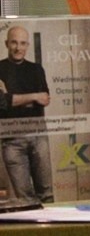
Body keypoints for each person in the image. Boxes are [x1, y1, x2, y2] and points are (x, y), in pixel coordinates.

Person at [0, 25, 53, 203]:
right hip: (11, 140)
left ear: (27, 45)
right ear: (6, 44)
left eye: (23, 43)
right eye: (14, 42)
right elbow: (2, 103)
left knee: (47, 194)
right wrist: (33, 97)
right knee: (25, 199)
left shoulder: (36, 69)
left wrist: (12, 98)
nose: (18, 48)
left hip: (38, 137)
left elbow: (45, 98)